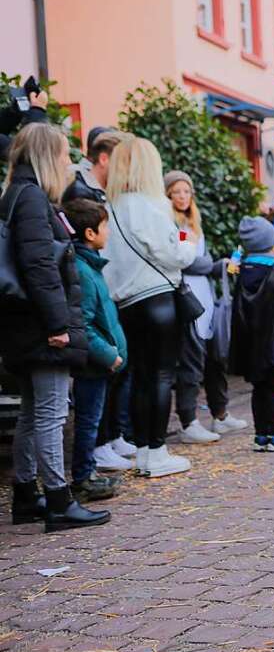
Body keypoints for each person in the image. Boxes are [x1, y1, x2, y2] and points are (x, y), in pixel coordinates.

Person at [1, 123, 109, 530]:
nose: (68, 161)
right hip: (40, 324)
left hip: (24, 323)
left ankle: (28, 496)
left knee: (33, 412)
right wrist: (59, 323)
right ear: (47, 155)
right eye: (64, 153)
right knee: (50, 412)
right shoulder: (31, 199)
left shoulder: (17, 195)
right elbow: (40, 266)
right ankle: (59, 500)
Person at [104, 134, 197, 478]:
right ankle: (156, 452)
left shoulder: (110, 206)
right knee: (160, 375)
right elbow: (177, 255)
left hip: (125, 304)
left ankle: (144, 449)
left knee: (141, 377)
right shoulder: (151, 205)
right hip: (157, 297)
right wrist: (186, 236)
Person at [165, 171, 246, 443]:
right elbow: (187, 262)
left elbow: (203, 260)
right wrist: (213, 265)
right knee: (191, 362)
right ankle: (188, 422)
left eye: (186, 191)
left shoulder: (193, 225)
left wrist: (218, 265)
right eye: (176, 191)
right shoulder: (171, 225)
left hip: (206, 299)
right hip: (187, 301)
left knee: (215, 359)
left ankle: (220, 414)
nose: (182, 196)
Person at [64, 199, 127, 502]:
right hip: (94, 362)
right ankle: (83, 477)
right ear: (90, 233)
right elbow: (85, 323)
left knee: (92, 416)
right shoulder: (84, 271)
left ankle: (86, 472)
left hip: (100, 361)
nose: (109, 232)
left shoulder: (90, 266)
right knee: (88, 419)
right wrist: (107, 354)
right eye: (105, 227)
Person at [228, 217, 274, 452]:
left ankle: (261, 435)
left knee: (258, 387)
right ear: (271, 244)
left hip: (252, 342)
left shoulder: (244, 270)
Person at [62, 128, 126, 204]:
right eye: (123, 162)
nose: (127, 170)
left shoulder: (100, 190)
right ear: (103, 159)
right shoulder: (81, 195)